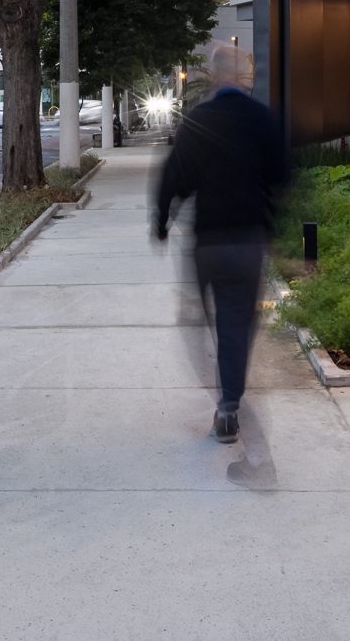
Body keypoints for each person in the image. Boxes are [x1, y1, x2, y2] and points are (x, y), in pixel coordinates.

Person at [153, 44, 288, 444]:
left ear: (213, 76)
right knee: (236, 324)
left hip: (208, 241)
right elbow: (282, 176)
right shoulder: (262, 119)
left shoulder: (198, 119)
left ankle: (224, 391)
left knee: (205, 322)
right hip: (247, 241)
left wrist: (161, 221)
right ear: (243, 76)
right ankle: (229, 403)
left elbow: (173, 176)